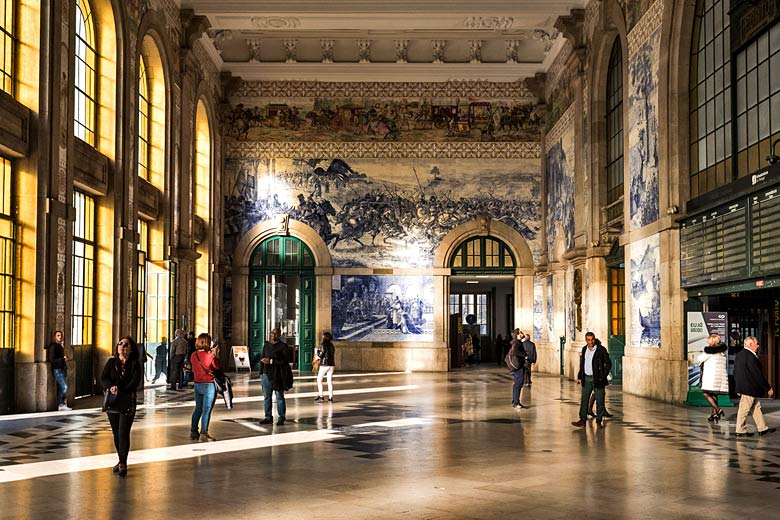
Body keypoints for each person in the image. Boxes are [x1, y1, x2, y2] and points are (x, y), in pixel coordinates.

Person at [101, 336, 142, 477]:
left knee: (124, 432)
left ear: (130, 349)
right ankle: (121, 460)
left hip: (127, 402)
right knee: (116, 433)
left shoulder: (135, 364)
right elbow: (104, 378)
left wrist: (120, 388)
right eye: (120, 344)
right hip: (113, 402)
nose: (122, 346)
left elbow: (135, 382)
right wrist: (110, 387)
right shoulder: (111, 362)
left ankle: (123, 463)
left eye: (126, 344)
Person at [733, 336, 776, 437]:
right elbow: (757, 374)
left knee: (756, 407)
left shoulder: (739, 355)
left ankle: (762, 428)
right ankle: (740, 430)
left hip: (745, 387)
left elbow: (736, 373)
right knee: (744, 409)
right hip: (749, 388)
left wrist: (738, 388)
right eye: (756, 344)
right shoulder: (750, 356)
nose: (758, 346)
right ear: (751, 344)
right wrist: (768, 387)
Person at [572, 332, 612, 428]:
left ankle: (599, 421)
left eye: (592, 339)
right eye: (588, 340)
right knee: (584, 400)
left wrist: (603, 376)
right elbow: (582, 364)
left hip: (597, 379)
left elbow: (608, 363)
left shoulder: (601, 350)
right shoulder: (584, 349)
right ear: (586, 340)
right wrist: (580, 376)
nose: (591, 342)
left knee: (600, 401)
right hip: (586, 378)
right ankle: (582, 420)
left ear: (594, 339)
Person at [189, 332, 220, 442]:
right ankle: (204, 433)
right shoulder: (210, 356)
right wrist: (215, 354)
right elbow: (217, 367)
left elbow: (193, 369)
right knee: (206, 410)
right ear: (207, 342)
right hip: (209, 385)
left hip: (197, 384)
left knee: (198, 408)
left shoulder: (193, 355)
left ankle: (193, 431)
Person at [260, 327, 288, 426]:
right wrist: (261, 373)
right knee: (267, 397)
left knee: (279, 396)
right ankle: (268, 417)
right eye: (272, 333)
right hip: (266, 374)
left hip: (278, 375)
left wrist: (271, 361)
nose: (273, 335)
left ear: (279, 335)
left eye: (276, 333)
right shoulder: (266, 345)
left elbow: (284, 361)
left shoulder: (283, 346)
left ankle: (281, 417)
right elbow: (262, 358)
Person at [697, 333, 729, 422]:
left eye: (708, 340)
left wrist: (701, 353)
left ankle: (718, 409)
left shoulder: (709, 351)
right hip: (720, 377)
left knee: (706, 393)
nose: (707, 341)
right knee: (713, 395)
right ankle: (714, 415)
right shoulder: (722, 352)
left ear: (711, 341)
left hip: (711, 377)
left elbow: (699, 359)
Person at [47, 331, 70, 411]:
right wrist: (62, 359)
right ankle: (61, 404)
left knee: (61, 387)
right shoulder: (53, 346)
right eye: (58, 335)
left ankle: (62, 404)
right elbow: (52, 359)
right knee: (64, 387)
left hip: (61, 369)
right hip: (57, 369)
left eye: (61, 335)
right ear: (54, 337)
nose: (60, 337)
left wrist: (64, 359)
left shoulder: (60, 346)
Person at [507, 328, 527, 409]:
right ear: (517, 335)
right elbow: (516, 351)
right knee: (518, 384)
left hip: (517, 366)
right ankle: (516, 402)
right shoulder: (517, 343)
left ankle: (515, 400)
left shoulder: (516, 342)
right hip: (518, 366)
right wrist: (524, 355)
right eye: (521, 333)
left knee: (517, 384)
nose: (522, 334)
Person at [314, 331, 336, 403]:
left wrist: (317, 351)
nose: (322, 337)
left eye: (323, 336)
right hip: (331, 364)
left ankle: (321, 396)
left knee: (319, 379)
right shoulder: (332, 345)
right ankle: (330, 397)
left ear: (325, 337)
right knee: (329, 381)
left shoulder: (323, 344)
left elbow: (321, 355)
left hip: (324, 364)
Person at [727, 330, 743, 401]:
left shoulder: (731, 345)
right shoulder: (735, 345)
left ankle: (733, 394)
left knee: (732, 381)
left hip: (731, 367)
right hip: (734, 367)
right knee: (734, 381)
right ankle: (734, 394)